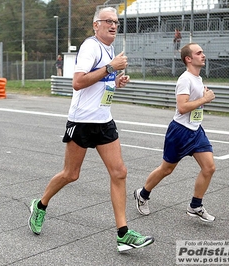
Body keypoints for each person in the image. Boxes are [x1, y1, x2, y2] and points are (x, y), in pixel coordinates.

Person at [28, 7, 154, 252]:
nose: (114, 25)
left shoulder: (109, 49)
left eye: (116, 22)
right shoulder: (90, 46)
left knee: (119, 172)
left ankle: (123, 234)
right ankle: (40, 205)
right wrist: (110, 68)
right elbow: (78, 82)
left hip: (104, 120)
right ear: (96, 25)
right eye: (108, 21)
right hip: (82, 121)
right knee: (71, 174)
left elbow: (98, 85)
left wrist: (115, 81)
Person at [134, 43, 216, 223]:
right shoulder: (185, 79)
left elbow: (194, 103)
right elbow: (182, 107)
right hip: (180, 131)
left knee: (209, 167)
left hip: (196, 130)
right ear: (189, 58)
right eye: (199, 53)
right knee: (167, 169)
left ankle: (195, 205)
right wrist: (204, 98)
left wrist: (202, 97)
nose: (203, 55)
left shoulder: (198, 79)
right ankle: (142, 194)